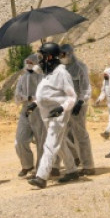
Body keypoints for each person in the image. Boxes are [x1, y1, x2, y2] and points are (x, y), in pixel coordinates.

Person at [29, 42, 80, 188]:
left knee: (50, 144)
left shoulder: (62, 73)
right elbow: (47, 94)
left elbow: (72, 97)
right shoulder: (49, 73)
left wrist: (61, 108)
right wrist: (35, 103)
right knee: (60, 142)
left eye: (41, 56)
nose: (40, 60)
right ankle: (72, 170)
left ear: (50, 56)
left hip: (58, 115)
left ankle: (41, 177)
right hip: (47, 114)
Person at [60, 44, 94, 176]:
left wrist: (80, 101)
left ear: (69, 54)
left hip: (78, 105)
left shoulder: (80, 67)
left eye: (63, 55)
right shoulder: (61, 69)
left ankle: (88, 165)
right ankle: (76, 157)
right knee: (63, 134)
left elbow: (86, 88)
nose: (61, 57)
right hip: (66, 105)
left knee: (80, 134)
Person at [14, 54, 46, 178]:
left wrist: (35, 99)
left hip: (39, 111)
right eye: (27, 62)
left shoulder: (43, 77)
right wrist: (27, 98)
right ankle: (27, 165)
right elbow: (17, 95)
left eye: (31, 62)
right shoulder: (22, 78)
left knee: (41, 141)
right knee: (20, 140)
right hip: (25, 111)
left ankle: (41, 169)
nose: (28, 64)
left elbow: (45, 94)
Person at [97, 66, 110, 139]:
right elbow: (103, 92)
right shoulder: (104, 82)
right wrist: (99, 99)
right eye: (104, 74)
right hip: (109, 104)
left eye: (106, 74)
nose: (104, 76)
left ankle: (107, 132)